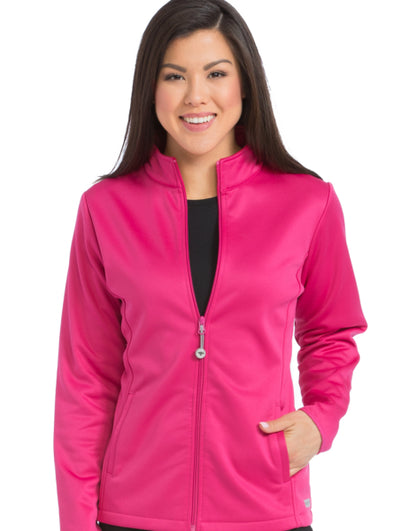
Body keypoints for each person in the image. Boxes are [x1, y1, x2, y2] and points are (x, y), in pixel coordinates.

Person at [53, 1, 367, 530]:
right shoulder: (105, 210)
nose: (195, 96)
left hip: (264, 508)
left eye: (216, 74)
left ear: (245, 84)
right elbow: (86, 378)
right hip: (134, 512)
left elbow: (331, 331)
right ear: (150, 88)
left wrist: (321, 420)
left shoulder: (307, 203)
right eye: (174, 76)